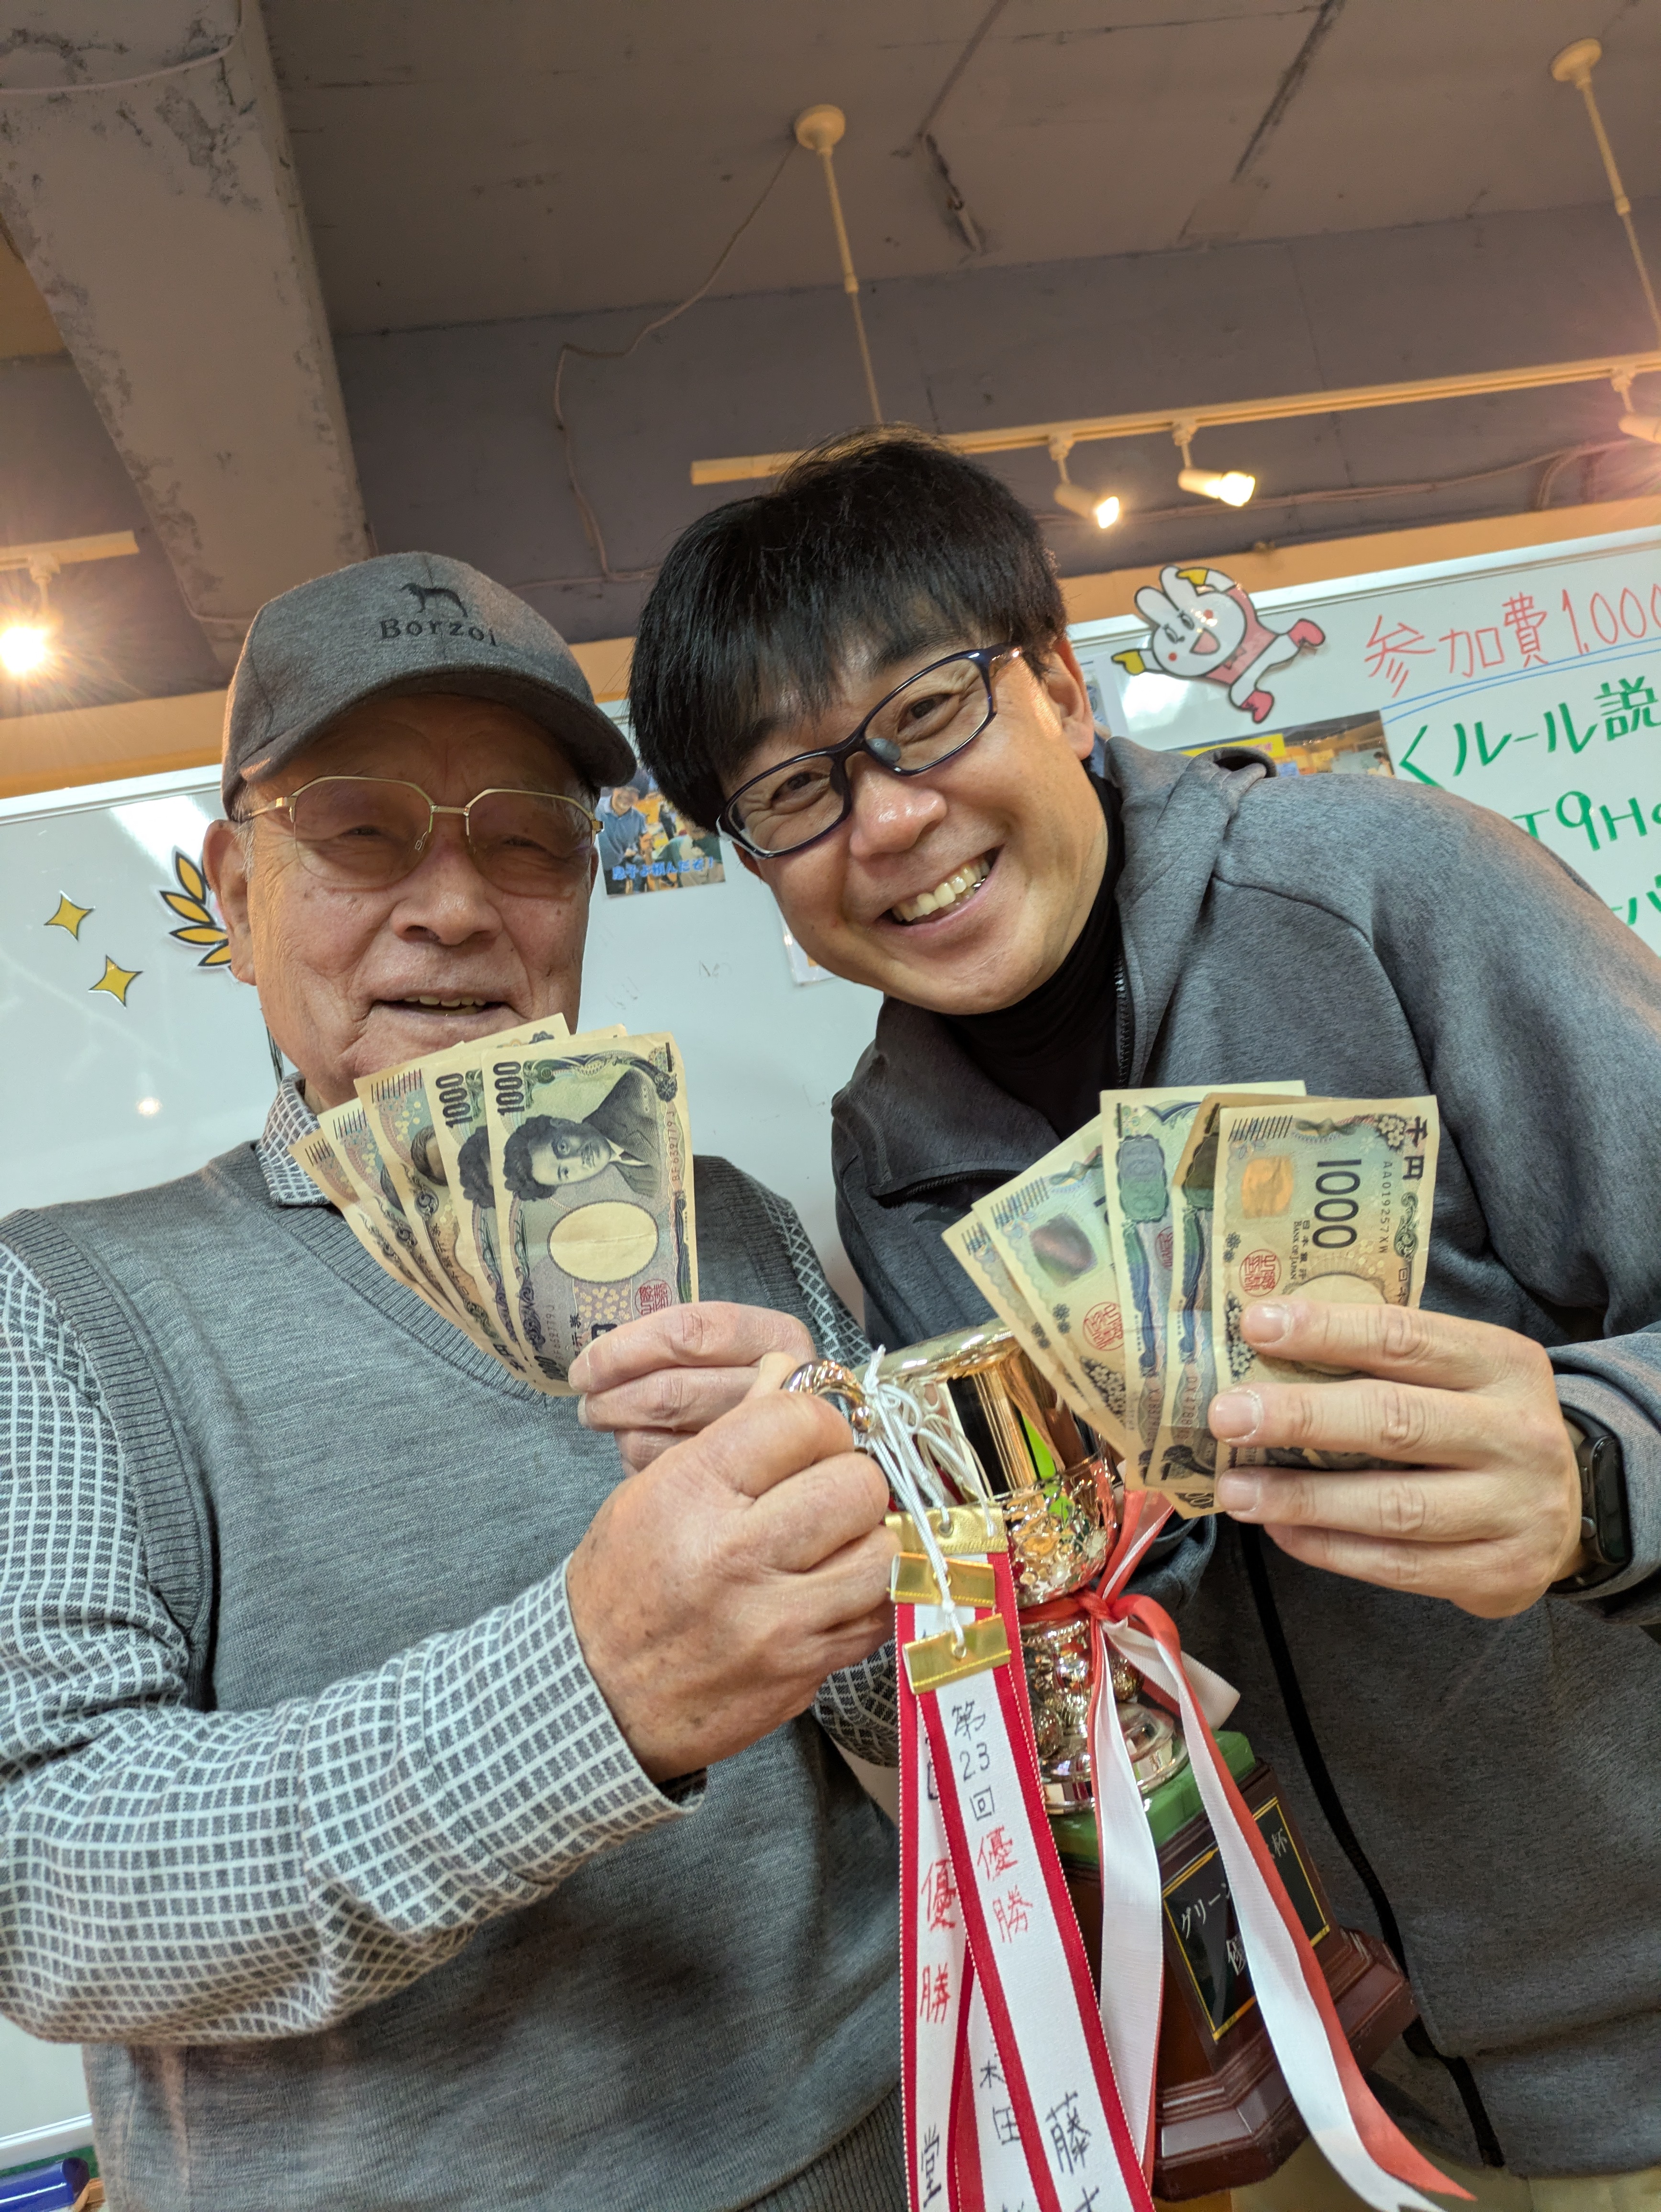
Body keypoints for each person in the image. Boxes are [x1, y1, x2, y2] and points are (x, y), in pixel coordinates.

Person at [589, 427, 1661, 2203]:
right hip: (1323, 2078)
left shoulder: (1384, 888)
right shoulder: (890, 1156)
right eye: (793, 793)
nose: (888, 822)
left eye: (928, 711)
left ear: (1063, 688)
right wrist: (876, 1455)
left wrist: (1598, 1475)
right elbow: (1089, 1590)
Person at [0, 552, 905, 2212]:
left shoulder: (730, 1220)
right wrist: (596, 1686)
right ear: (232, 892)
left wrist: (873, 1553)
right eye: (361, 830)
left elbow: (916, 1728)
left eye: (526, 839)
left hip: (880, 2151)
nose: (457, 906)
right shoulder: (51, 1304)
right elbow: (41, 1883)